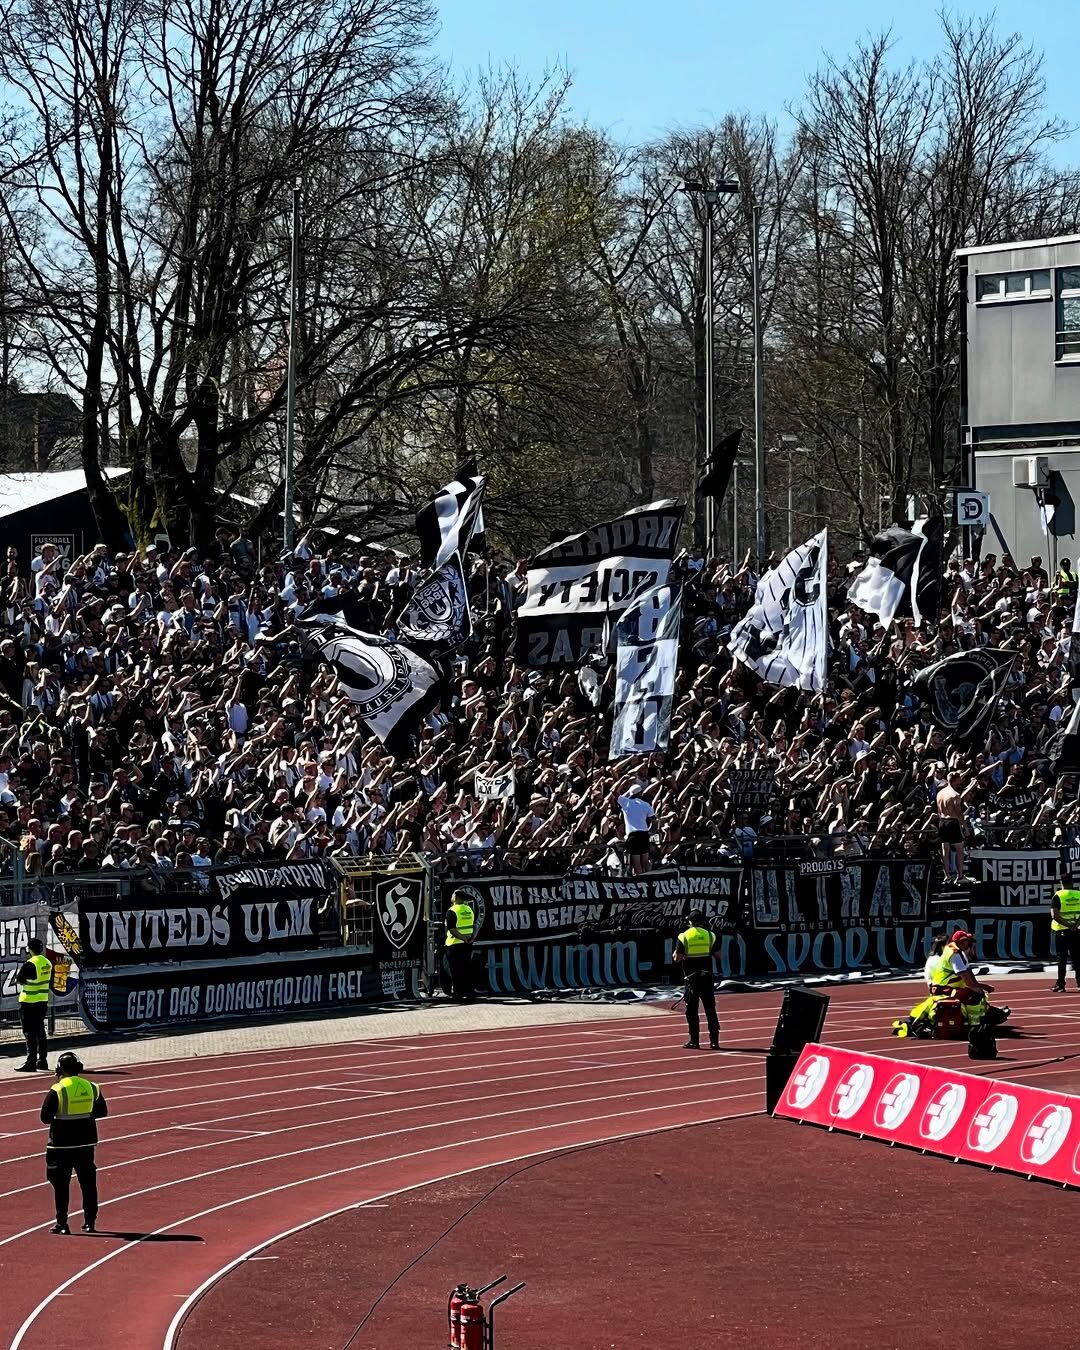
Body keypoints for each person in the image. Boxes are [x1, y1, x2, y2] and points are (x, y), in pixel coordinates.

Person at [41, 1051, 108, 1235]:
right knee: (88, 1183)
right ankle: (90, 1222)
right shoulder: (92, 1087)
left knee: (60, 1185)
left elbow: (45, 1118)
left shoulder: (58, 1089)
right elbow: (102, 1111)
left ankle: (62, 1223)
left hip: (60, 1145)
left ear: (59, 1069)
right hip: (85, 1144)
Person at [673, 908, 720, 1050]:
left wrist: (676, 953)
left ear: (689, 922)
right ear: (702, 921)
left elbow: (677, 958)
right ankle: (714, 1042)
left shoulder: (684, 936)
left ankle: (694, 1040)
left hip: (691, 979)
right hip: (706, 977)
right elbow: (718, 955)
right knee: (710, 1010)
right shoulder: (710, 936)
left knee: (692, 1011)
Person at [15, 936, 52, 1072]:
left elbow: (19, 980)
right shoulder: (47, 963)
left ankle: (30, 1061)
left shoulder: (30, 963)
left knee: (29, 1033)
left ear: (29, 949)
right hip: (42, 1000)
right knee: (40, 1031)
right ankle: (42, 1060)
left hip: (28, 1002)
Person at [444, 889, 476, 1003]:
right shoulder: (469, 909)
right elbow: (473, 925)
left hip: (454, 944)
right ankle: (470, 993)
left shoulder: (452, 910)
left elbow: (452, 929)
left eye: (453, 895)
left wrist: (463, 938)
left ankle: (458, 995)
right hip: (467, 944)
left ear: (456, 897)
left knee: (455, 971)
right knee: (466, 969)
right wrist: (471, 938)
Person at [935, 771, 967, 885]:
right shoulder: (955, 795)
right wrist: (965, 826)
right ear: (956, 780)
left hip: (942, 821)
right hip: (952, 821)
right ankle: (960, 875)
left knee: (945, 849)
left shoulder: (940, 793)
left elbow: (938, 811)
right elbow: (959, 813)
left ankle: (947, 876)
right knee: (959, 849)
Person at [1050, 884, 1080, 992]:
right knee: (1077, 958)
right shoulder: (1078, 894)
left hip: (1062, 930)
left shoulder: (1058, 895)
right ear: (1072, 883)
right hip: (1076, 930)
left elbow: (1054, 915)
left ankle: (1061, 984)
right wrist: (1075, 925)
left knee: (1061, 959)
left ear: (1061, 883)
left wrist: (1067, 925)